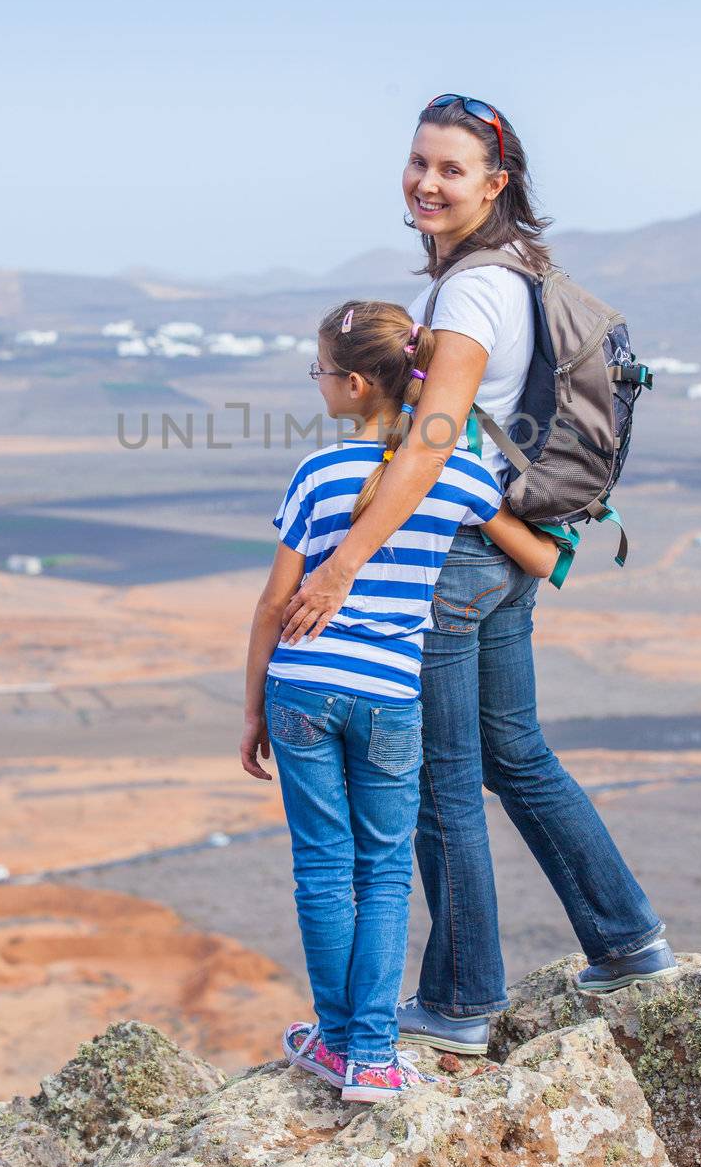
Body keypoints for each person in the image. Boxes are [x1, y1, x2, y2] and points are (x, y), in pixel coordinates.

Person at [280, 94, 677, 1059]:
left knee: (441, 786)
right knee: (515, 756)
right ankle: (628, 943)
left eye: (450, 169)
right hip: (502, 549)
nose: (425, 181)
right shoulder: (515, 271)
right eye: (418, 161)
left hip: (455, 563)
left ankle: (460, 1001)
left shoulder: (466, 294)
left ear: (493, 183)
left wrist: (339, 567)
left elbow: (429, 438)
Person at [241, 298, 557, 1102]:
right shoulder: (457, 473)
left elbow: (273, 605)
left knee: (321, 870)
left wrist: (251, 711)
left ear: (352, 384)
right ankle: (373, 1057)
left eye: (317, 372)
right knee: (383, 872)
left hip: (302, 686)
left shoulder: (317, 472)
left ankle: (337, 1040)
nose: (315, 384)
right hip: (389, 693)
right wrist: (550, 539)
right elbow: (536, 557)